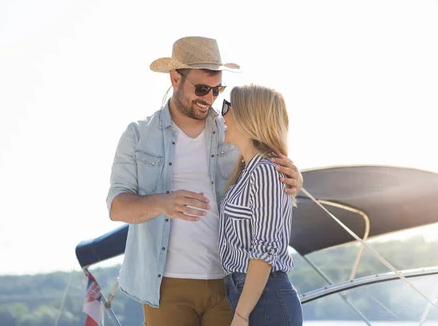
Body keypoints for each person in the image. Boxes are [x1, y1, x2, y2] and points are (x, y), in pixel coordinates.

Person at [106, 36, 303, 326]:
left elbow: (265, 177)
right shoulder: (138, 135)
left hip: (228, 285)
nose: (210, 98)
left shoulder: (231, 128)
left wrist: (295, 177)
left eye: (217, 90)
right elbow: (117, 208)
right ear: (175, 79)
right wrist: (163, 203)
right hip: (165, 285)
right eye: (201, 89)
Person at [219, 85, 303, 326]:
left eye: (228, 107)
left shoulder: (265, 171)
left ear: (248, 116)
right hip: (249, 295)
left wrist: (241, 315)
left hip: (264, 300)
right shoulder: (246, 171)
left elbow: (264, 251)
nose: (222, 115)